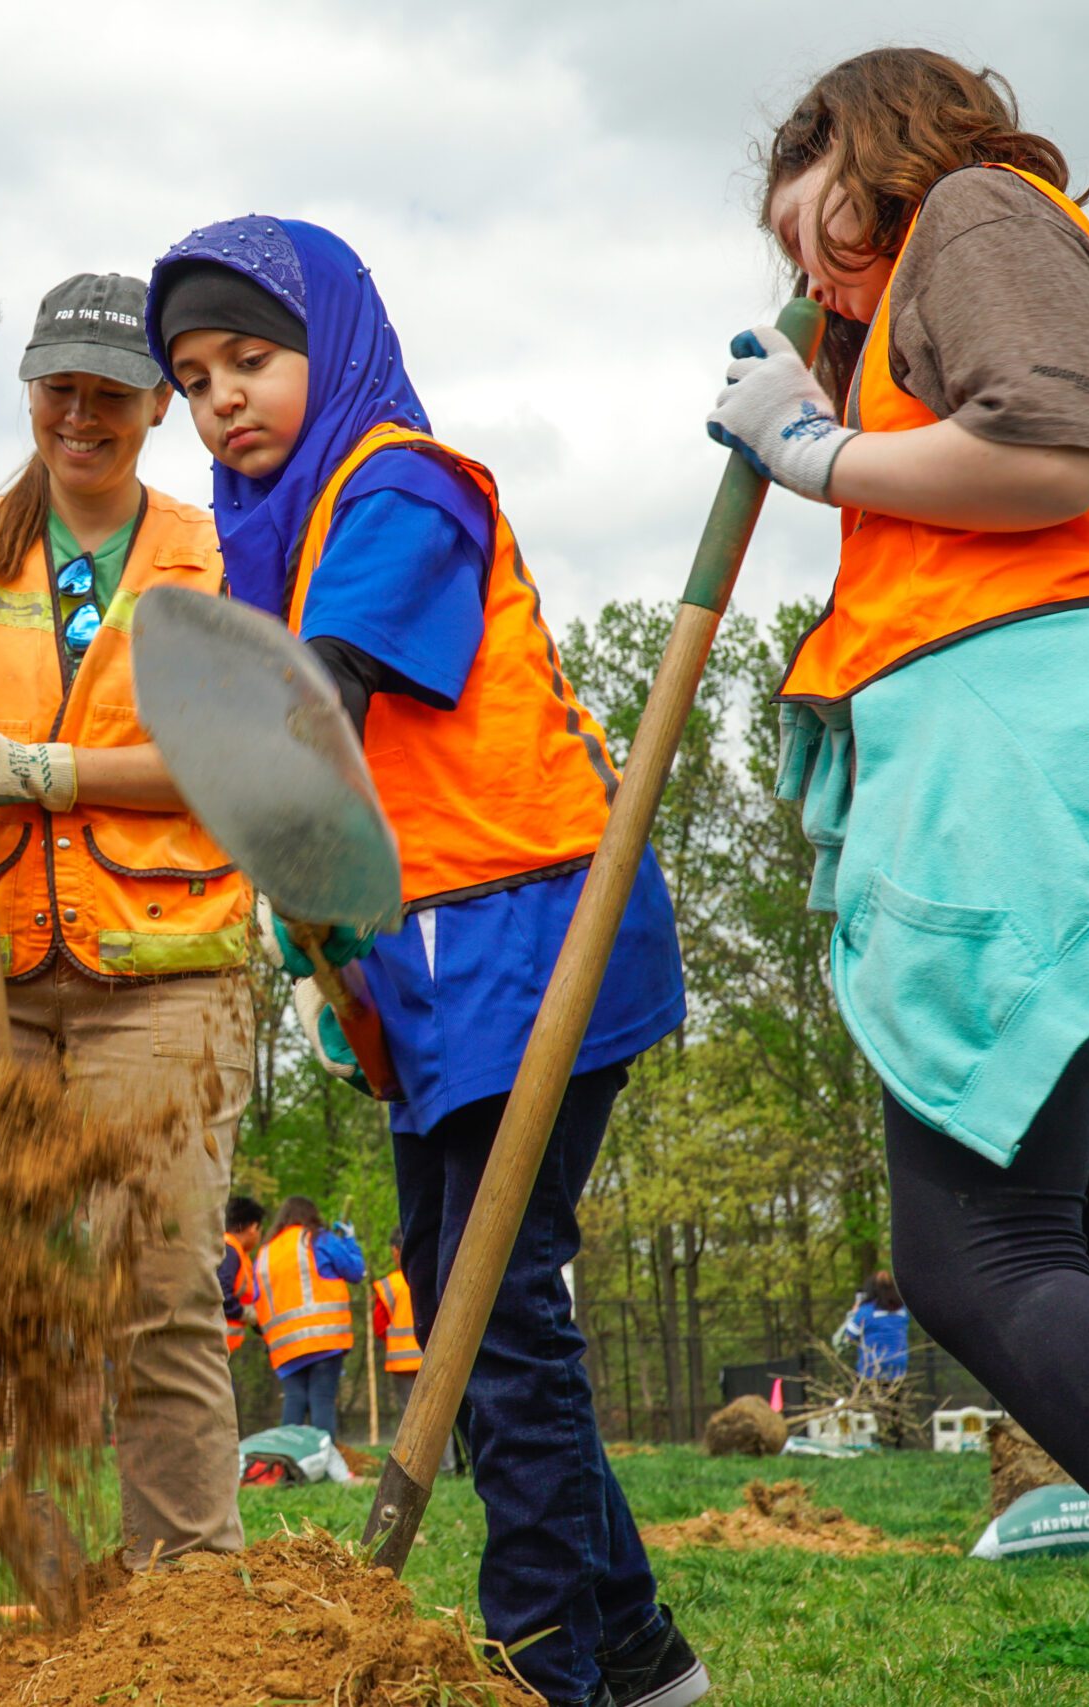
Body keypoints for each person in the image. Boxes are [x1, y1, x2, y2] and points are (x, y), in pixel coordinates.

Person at [713, 48, 1089, 1705]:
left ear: (881, 150)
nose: (816, 276)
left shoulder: (971, 211)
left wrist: (811, 446)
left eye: (819, 228)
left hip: (1039, 769)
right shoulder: (1017, 263)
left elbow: (1044, 454)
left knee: (983, 1256)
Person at [150, 217, 705, 1707]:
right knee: (449, 1279)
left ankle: (546, 1659)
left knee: (491, 1297)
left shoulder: (401, 485)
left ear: (331, 343)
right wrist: (323, 947)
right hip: (431, 950)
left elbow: (317, 701)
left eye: (250, 359)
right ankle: (640, 1650)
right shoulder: (282, 534)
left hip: (539, 921)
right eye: (192, 380)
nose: (222, 398)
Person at [0, 270, 256, 1561]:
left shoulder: (215, 550)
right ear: (26, 390)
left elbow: (238, 757)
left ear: (156, 404)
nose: (81, 414)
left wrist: (48, 770)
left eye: (110, 393)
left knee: (160, 1285)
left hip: (165, 967)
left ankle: (187, 1593)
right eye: (58, 389)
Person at [252, 1195, 363, 1437]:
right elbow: (355, 1271)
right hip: (323, 1337)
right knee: (321, 1398)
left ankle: (287, 1457)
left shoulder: (265, 1253)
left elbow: (255, 1297)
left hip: (284, 1346)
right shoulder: (317, 1238)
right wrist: (349, 1240)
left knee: (294, 1399)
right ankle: (323, 1455)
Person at [373, 1226, 422, 1416]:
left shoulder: (389, 1286)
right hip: (433, 1359)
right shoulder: (432, 1278)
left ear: (395, 1251)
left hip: (402, 1364)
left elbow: (380, 1327)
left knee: (409, 1415)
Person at [831, 1271, 909, 1382]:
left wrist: (853, 1313)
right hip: (898, 1369)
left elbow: (845, 1339)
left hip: (872, 1369)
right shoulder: (902, 1311)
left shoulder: (866, 1311)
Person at [222, 1194, 267, 1354]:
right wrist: (247, 1314)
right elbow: (222, 1297)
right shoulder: (229, 1252)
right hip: (214, 1347)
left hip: (219, 1348)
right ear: (253, 1228)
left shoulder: (230, 1251)